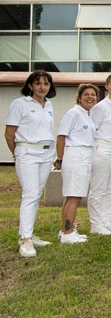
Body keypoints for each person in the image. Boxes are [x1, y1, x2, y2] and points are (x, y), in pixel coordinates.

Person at [5, 71, 57, 257]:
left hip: (45, 154)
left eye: (46, 84)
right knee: (29, 194)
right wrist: (17, 154)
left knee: (36, 194)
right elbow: (9, 134)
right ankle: (25, 240)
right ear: (30, 86)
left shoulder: (48, 105)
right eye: (38, 83)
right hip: (27, 153)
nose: (42, 87)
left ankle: (28, 233)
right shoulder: (20, 104)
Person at [56, 84, 98, 243]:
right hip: (76, 156)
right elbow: (61, 137)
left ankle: (66, 229)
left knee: (72, 196)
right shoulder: (73, 113)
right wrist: (60, 159)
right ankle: (67, 233)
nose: (90, 97)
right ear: (79, 97)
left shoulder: (87, 114)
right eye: (86, 94)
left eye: (93, 95)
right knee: (74, 196)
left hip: (85, 155)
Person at [88, 74, 111, 235]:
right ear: (107, 87)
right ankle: (96, 225)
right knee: (99, 188)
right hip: (102, 149)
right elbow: (91, 131)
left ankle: (106, 221)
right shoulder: (100, 107)